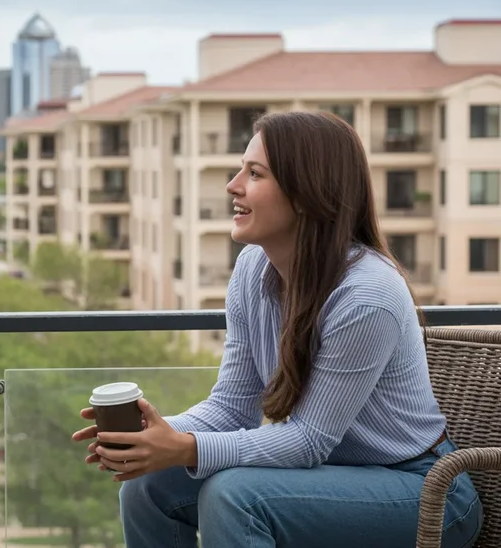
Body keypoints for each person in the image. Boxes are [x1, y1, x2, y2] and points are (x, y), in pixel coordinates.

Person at [72, 111, 483, 547]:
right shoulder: (253, 268)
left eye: (254, 174)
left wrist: (185, 447)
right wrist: (153, 439)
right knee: (148, 484)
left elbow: (308, 442)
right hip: (331, 478)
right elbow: (231, 408)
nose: (233, 186)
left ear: (305, 194)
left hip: (425, 492)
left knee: (235, 498)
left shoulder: (368, 295)